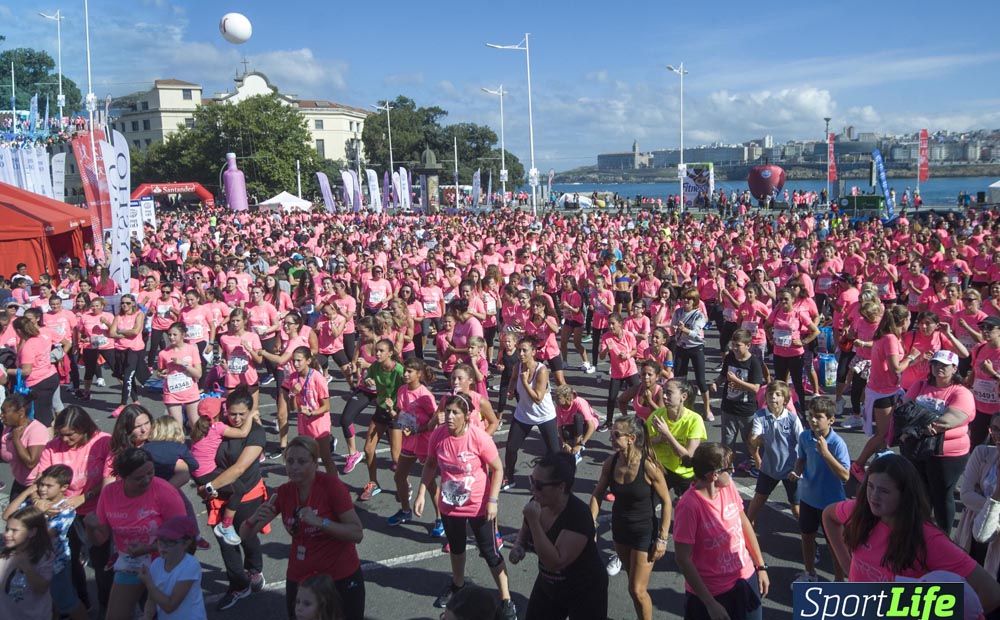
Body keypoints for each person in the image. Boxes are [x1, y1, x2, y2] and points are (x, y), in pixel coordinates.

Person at [823, 453, 1000, 614]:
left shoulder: (928, 539)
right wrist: (846, 564)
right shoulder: (860, 511)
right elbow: (829, 516)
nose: (873, 496)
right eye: (870, 486)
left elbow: (991, 594)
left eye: (884, 490)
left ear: (905, 495)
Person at [413, 395, 516, 619]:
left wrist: (493, 500)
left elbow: (498, 468)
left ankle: (506, 598)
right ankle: (457, 586)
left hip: (479, 505)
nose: (449, 416)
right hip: (450, 504)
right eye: (447, 411)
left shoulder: (478, 437)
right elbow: (430, 463)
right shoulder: (438, 435)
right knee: (456, 548)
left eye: (455, 413)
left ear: (467, 416)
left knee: (490, 553)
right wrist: (421, 493)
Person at [242, 436, 366, 620]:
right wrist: (253, 518)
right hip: (302, 580)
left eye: (302, 461)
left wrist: (321, 522)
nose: (294, 467)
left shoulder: (331, 487)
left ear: (315, 463)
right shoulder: (284, 493)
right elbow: (244, 534)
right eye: (290, 461)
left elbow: (357, 533)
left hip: (339, 575)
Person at [85, 447, 187, 620]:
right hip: (131, 562)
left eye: (151, 472)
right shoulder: (109, 494)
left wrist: (149, 548)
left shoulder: (165, 491)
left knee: (165, 613)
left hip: (166, 563)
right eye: (139, 478)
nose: (147, 480)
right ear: (123, 477)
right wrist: (90, 527)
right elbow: (100, 540)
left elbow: (184, 538)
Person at [674, 443, 770, 620]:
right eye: (729, 468)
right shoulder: (689, 506)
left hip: (745, 578)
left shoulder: (728, 487)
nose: (733, 471)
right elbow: (683, 559)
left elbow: (744, 524)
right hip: (713, 592)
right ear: (714, 475)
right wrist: (710, 604)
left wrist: (760, 566)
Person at [589, 415, 672, 620]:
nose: (611, 438)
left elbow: (667, 502)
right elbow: (598, 494)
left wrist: (662, 538)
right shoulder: (611, 462)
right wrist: (591, 524)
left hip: (644, 532)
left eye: (616, 434)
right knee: (632, 584)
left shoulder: (648, 466)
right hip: (621, 531)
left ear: (631, 438)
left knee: (637, 589)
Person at [508, 452, 609, 620]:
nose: (533, 488)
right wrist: (519, 545)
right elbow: (525, 529)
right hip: (549, 585)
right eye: (531, 481)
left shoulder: (578, 515)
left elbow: (555, 561)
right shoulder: (537, 501)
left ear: (561, 487)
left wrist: (534, 522)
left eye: (539, 485)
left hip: (584, 591)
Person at [36, 406, 114, 610]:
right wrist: (40, 500)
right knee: (70, 561)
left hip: (96, 511)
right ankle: (82, 604)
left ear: (84, 428)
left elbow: (110, 478)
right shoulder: (52, 447)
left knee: (102, 562)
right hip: (64, 514)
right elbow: (41, 480)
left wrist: (85, 496)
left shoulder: (103, 441)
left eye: (71, 435)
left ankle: (108, 607)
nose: (65, 441)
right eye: (62, 435)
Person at [199, 388, 267, 611]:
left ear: (250, 412)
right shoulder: (220, 427)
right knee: (225, 541)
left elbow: (239, 468)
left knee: (246, 536)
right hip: (221, 492)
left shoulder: (256, 433)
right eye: (232, 414)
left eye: (241, 414)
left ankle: (255, 569)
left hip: (247, 494)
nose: (236, 419)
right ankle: (238, 584)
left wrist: (209, 486)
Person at [901, 349, 974, 534]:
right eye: (935, 364)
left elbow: (951, 419)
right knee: (920, 492)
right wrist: (928, 423)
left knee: (941, 495)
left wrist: (920, 422)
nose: (938, 368)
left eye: (944, 365)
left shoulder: (961, 392)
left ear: (954, 368)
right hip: (917, 449)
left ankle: (944, 535)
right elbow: (903, 411)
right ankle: (923, 531)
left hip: (946, 454)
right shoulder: (919, 385)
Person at [2, 464, 88, 620]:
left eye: (49, 486)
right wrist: (28, 492)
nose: (42, 489)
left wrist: (38, 512)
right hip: (31, 559)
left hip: (56, 564)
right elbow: (7, 516)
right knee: (43, 600)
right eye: (41, 484)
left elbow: (43, 534)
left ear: (63, 487)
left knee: (66, 601)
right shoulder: (34, 502)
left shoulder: (66, 509)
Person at [789, 397, 849, 583]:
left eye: (818, 417)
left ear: (831, 420)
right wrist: (796, 471)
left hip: (831, 503)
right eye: (810, 416)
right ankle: (810, 574)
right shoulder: (805, 436)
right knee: (807, 537)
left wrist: (826, 453)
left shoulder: (837, 443)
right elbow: (802, 458)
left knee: (835, 546)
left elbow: (845, 476)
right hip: (808, 499)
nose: (813, 420)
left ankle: (839, 581)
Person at [387, 357, 438, 528]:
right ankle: (405, 510)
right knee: (399, 476)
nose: (405, 374)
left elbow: (435, 420)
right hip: (409, 441)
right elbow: (404, 415)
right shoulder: (402, 390)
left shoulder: (425, 396)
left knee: (429, 483)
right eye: (405, 370)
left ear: (419, 374)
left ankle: (441, 519)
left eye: (410, 371)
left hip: (424, 442)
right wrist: (393, 413)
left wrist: (419, 430)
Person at [503, 336, 560, 490]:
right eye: (519, 350)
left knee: (554, 452)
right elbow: (513, 378)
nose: (520, 354)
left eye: (524, 350)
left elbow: (538, 398)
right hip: (523, 414)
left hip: (544, 415)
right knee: (511, 449)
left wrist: (525, 382)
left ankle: (556, 481)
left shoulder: (542, 371)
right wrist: (510, 389)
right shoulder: (518, 367)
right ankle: (509, 477)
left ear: (533, 352)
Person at [746, 381, 803, 524]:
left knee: (796, 509)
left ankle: (808, 536)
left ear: (785, 400)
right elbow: (755, 438)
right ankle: (747, 529)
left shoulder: (792, 419)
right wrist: (755, 440)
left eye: (778, 395)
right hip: (769, 468)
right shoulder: (760, 416)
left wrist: (799, 469)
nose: (773, 398)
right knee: (758, 500)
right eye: (770, 394)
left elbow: (802, 443)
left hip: (791, 470)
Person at [358, 338, 404, 501]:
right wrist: (367, 380)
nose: (377, 353)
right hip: (381, 410)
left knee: (396, 457)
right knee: (368, 449)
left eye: (381, 351)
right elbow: (367, 379)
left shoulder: (399, 370)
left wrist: (397, 406)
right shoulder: (375, 366)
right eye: (376, 350)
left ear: (390, 353)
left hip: (395, 414)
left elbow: (408, 390)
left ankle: (404, 485)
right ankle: (373, 482)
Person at [711, 329, 764, 472]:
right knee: (727, 441)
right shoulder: (729, 358)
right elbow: (723, 375)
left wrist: (736, 381)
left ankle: (753, 463)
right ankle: (727, 467)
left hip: (746, 409)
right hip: (728, 406)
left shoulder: (754, 363)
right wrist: (716, 383)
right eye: (733, 344)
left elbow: (755, 388)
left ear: (748, 345)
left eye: (738, 345)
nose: (734, 348)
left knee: (750, 440)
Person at [137, 515, 207, 620]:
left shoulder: (190, 565)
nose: (162, 546)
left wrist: (148, 582)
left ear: (186, 543)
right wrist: (146, 617)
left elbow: (170, 606)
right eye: (160, 540)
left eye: (170, 542)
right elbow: (151, 600)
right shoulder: (156, 564)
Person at [645, 379, 707, 496]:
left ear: (683, 397)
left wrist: (667, 435)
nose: (663, 396)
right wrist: (659, 439)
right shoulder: (656, 416)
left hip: (685, 473)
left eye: (669, 393)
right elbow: (643, 442)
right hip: (661, 469)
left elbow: (688, 456)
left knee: (688, 508)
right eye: (663, 392)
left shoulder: (695, 420)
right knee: (651, 504)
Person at [282, 346, 336, 475]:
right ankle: (313, 486)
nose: (295, 364)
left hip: (319, 425)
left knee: (326, 459)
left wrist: (311, 413)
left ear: (308, 361)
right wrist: (293, 394)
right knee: (308, 459)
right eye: (294, 361)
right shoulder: (293, 378)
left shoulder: (317, 378)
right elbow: (293, 408)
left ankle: (335, 487)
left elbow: (326, 407)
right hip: (304, 425)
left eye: (299, 360)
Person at [0, 505, 55, 620]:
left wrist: (26, 567)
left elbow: (42, 588)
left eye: (14, 531)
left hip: (33, 616)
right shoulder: (5, 553)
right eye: (7, 529)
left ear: (31, 532)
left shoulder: (44, 556)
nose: (7, 534)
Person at [6, 317, 59, 426]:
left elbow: (26, 371)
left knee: (41, 418)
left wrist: (7, 370)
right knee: (47, 411)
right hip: (50, 375)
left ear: (19, 331)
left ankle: (45, 441)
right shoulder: (39, 338)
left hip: (38, 382)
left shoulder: (29, 346)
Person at [671, 289, 713, 421]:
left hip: (695, 348)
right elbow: (672, 325)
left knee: (701, 381)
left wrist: (685, 330)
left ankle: (707, 409)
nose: (685, 301)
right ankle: (682, 408)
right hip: (681, 347)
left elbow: (696, 332)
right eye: (684, 298)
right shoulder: (678, 312)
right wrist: (676, 328)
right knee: (679, 379)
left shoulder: (699, 315)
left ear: (695, 301)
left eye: (689, 299)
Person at [156, 322, 203, 428]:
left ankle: (196, 444)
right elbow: (159, 372)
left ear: (183, 335)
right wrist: (161, 374)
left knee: (195, 425)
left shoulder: (192, 349)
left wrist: (183, 363)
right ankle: (179, 444)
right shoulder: (163, 353)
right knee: (177, 428)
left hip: (190, 392)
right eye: (169, 335)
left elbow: (199, 374)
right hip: (172, 393)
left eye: (174, 335)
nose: (171, 337)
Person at [0, 393, 47, 498]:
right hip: (19, 482)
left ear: (21, 412)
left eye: (4, 412)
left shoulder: (37, 430)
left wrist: (16, 439)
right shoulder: (8, 428)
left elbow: (31, 462)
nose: (1, 415)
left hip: (35, 487)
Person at [109, 293, 147, 418]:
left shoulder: (139, 314)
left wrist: (120, 332)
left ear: (133, 304)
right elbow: (111, 333)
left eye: (128, 303)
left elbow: (136, 331)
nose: (125, 305)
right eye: (123, 303)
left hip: (134, 350)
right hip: (120, 350)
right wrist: (126, 333)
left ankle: (122, 404)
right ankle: (136, 401)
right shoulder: (118, 316)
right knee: (126, 376)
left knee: (127, 378)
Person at [553, 384, 598, 464]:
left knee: (578, 417)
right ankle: (572, 446)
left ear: (567, 398)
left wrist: (581, 444)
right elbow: (559, 427)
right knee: (565, 434)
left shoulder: (579, 403)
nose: (555, 400)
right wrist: (564, 443)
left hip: (586, 424)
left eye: (558, 398)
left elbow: (591, 425)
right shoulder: (558, 407)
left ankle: (577, 452)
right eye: (555, 397)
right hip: (571, 423)